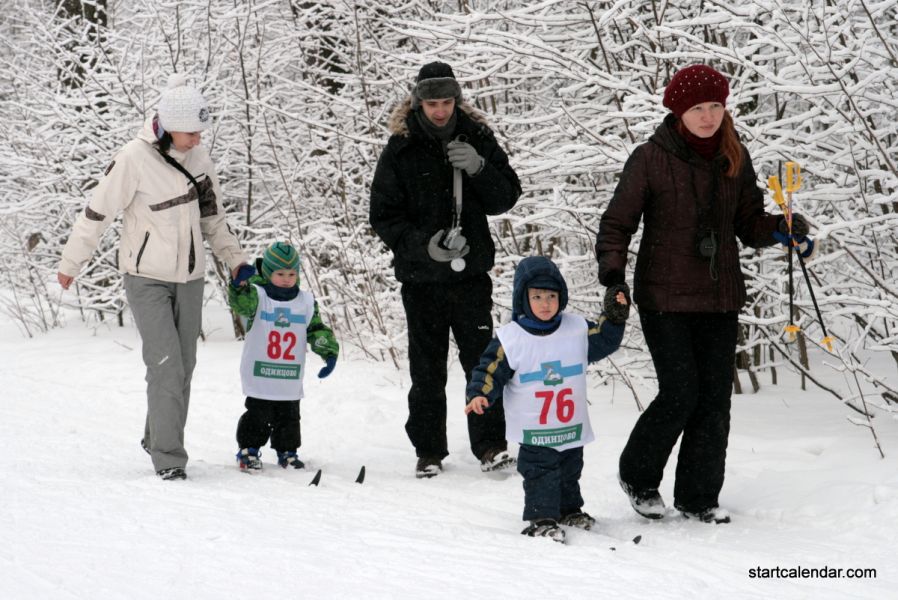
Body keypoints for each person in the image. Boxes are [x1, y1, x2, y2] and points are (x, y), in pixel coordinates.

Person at [595, 64, 813, 523]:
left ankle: (698, 497)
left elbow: (748, 222)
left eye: (715, 106)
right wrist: (613, 276)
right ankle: (638, 476)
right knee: (680, 392)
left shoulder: (734, 155)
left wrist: (780, 229)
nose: (709, 116)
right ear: (679, 111)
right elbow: (618, 222)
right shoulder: (650, 158)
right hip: (664, 297)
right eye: (698, 108)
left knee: (714, 399)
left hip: (719, 296)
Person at [57, 73, 251, 481]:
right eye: (191, 132)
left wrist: (235, 260)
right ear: (168, 125)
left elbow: (213, 217)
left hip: (191, 277)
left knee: (185, 365)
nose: (198, 140)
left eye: (201, 132)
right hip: (146, 276)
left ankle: (156, 435)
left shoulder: (199, 161)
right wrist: (72, 262)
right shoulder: (133, 158)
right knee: (165, 365)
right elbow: (98, 211)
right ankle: (169, 457)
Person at [369, 61, 523, 478]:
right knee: (427, 367)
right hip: (421, 281)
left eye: (447, 101)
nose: (440, 111)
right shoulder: (400, 147)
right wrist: (424, 247)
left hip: (471, 276)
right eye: (432, 103)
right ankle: (429, 450)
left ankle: (490, 445)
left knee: (482, 363)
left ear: (458, 100)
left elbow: (506, 196)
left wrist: (478, 167)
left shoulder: (478, 137)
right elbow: (383, 216)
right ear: (418, 103)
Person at [464, 256, 629, 543]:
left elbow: (605, 339)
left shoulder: (575, 330)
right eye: (537, 296)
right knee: (540, 473)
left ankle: (569, 509)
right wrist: (480, 393)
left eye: (551, 296)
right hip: (535, 430)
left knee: (569, 470)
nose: (545, 303)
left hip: (570, 426)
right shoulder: (512, 338)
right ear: (523, 298)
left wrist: (614, 316)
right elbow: (489, 368)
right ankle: (541, 518)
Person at [228, 241, 339, 471]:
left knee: (289, 417)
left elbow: (316, 328)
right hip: (262, 373)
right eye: (280, 273)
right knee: (258, 415)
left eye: (292, 273)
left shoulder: (305, 302)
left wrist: (328, 351)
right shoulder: (257, 296)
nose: (287, 278)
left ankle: (287, 452)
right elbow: (242, 303)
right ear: (268, 273)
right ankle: (248, 450)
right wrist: (238, 286)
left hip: (289, 376)